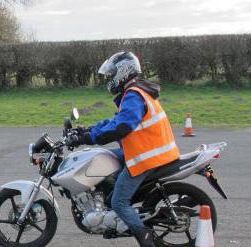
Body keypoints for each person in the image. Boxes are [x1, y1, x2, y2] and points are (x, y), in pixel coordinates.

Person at [72, 51, 180, 247]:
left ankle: (146, 240)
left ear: (124, 72)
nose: (110, 78)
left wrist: (90, 137)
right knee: (103, 158)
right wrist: (88, 130)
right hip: (148, 149)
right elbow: (115, 121)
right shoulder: (135, 91)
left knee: (119, 203)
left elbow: (122, 127)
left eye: (112, 74)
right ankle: (111, 203)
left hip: (146, 156)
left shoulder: (133, 95)